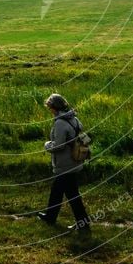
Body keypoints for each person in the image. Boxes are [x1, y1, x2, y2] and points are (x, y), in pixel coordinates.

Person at [37, 93, 91, 231]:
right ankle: (51, 216)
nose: (50, 110)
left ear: (54, 107)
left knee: (71, 195)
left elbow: (59, 146)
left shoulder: (60, 123)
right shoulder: (74, 119)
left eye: (49, 107)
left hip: (65, 164)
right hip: (74, 162)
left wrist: (47, 145)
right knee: (59, 191)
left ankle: (82, 224)